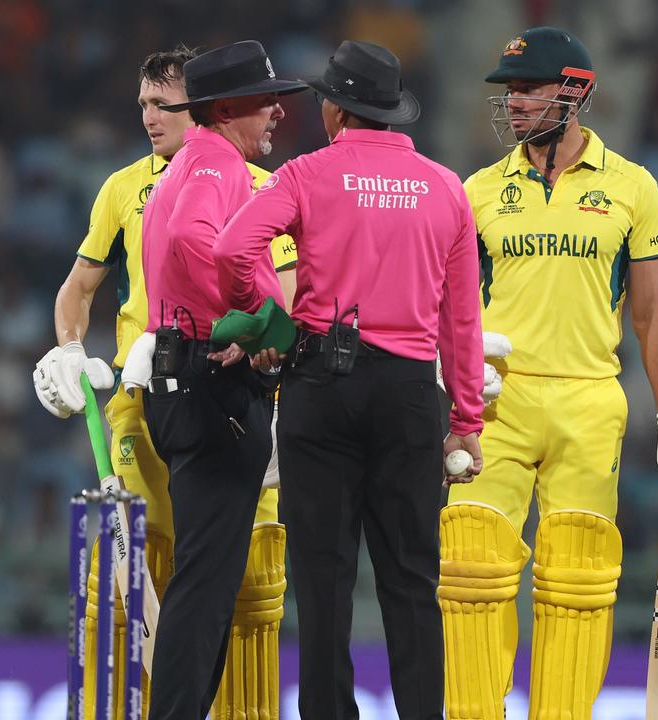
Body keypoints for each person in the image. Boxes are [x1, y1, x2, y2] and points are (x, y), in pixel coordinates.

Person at [438, 27, 658, 719]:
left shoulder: (632, 187)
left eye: (531, 88)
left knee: (579, 576)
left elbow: (652, 316)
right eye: (511, 90)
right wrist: (453, 381)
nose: (517, 102)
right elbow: (450, 308)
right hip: (497, 401)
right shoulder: (476, 190)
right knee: (471, 568)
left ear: (576, 92)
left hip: (590, 399)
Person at [215, 40, 484, 720]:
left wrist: (271, 321)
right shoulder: (446, 188)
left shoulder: (306, 174)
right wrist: (467, 422)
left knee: (324, 581)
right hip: (408, 393)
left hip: (321, 385)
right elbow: (462, 319)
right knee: (412, 582)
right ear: (389, 111)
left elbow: (231, 248)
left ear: (335, 109)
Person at [30, 47, 296, 720]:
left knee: (234, 581)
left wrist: (264, 334)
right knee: (136, 577)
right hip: (169, 391)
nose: (148, 117)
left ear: (196, 105)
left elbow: (283, 292)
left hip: (186, 382)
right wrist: (67, 350)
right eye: (142, 104)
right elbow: (79, 289)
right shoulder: (132, 186)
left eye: (161, 104)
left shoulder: (252, 181)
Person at [122, 41, 305, 720]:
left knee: (208, 578)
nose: (278, 112)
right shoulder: (215, 163)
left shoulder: (192, 161)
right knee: (204, 583)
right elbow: (202, 243)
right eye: (265, 100)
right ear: (226, 109)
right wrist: (256, 322)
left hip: (187, 378)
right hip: (209, 385)